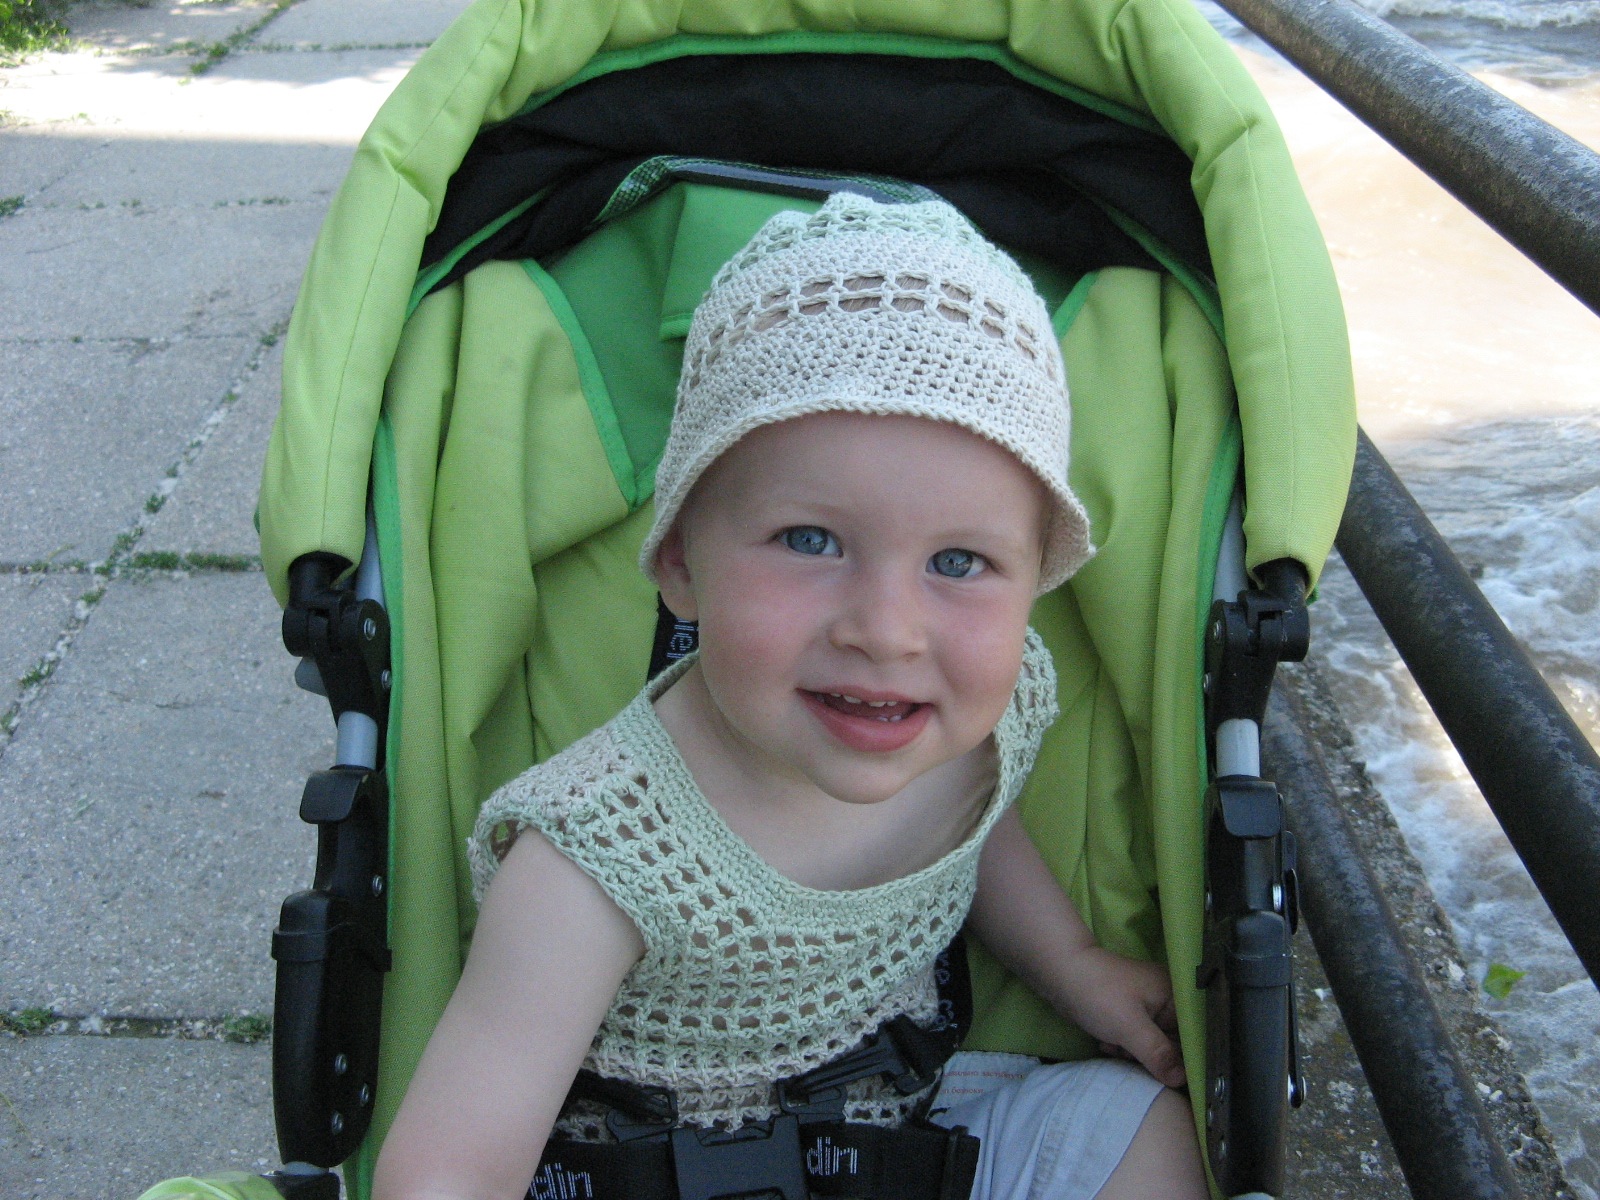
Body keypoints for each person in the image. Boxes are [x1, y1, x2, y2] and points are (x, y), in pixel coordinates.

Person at [373, 194, 1208, 1200]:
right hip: (656, 1173)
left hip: (896, 1130)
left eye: (959, 561)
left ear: (1036, 577)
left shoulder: (970, 718)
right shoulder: (596, 858)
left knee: (1139, 1137)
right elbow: (448, 1171)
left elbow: (977, 829)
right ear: (679, 562)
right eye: (811, 542)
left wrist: (1073, 965)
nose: (886, 630)